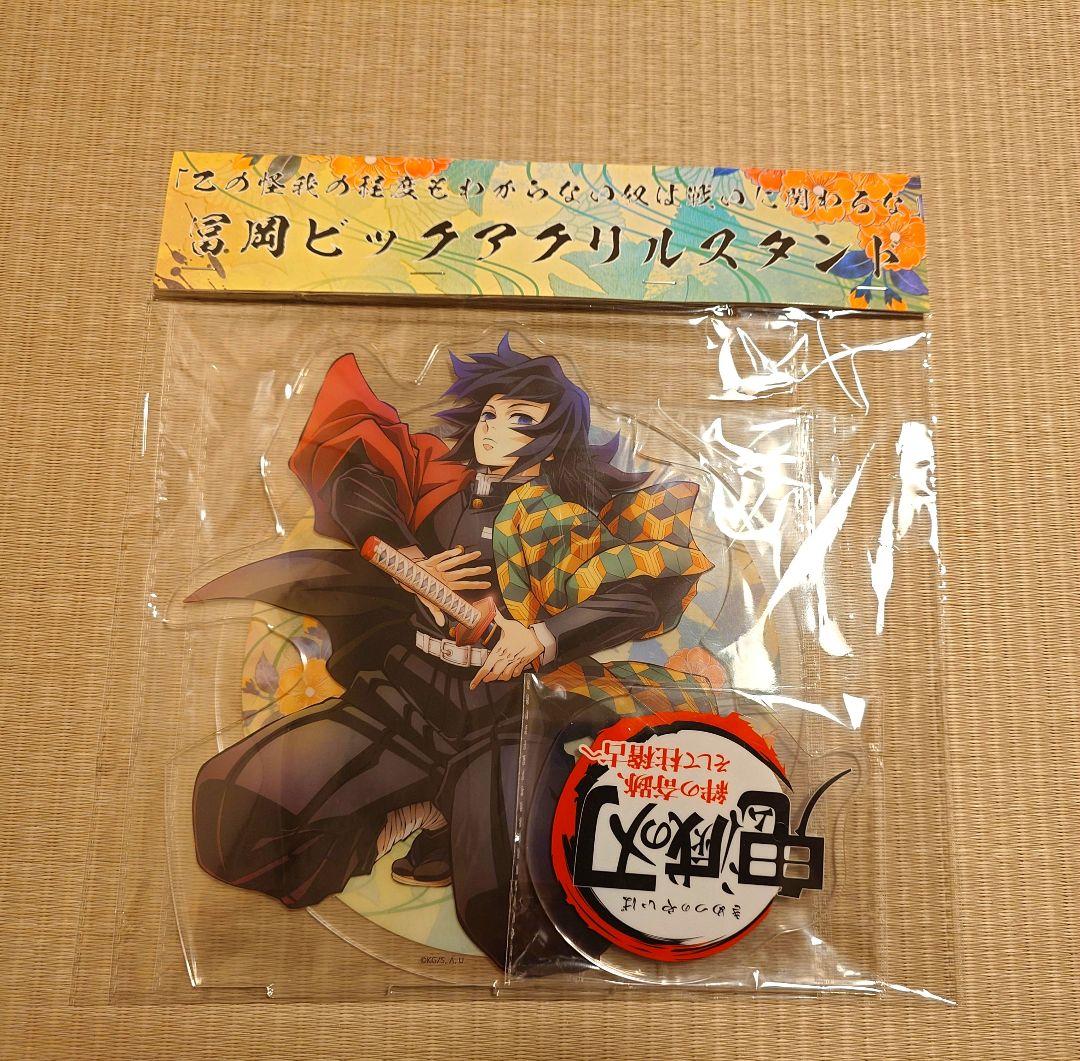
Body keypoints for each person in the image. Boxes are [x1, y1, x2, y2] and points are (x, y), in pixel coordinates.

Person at [188, 334, 713, 968]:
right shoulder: (437, 487)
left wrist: (541, 636)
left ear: (551, 443)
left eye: (520, 421)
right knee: (237, 814)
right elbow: (354, 466)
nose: (493, 429)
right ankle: (417, 811)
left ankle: (458, 815)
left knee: (520, 922)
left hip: (506, 717)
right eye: (490, 413)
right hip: (407, 691)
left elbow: (643, 585)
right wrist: (406, 556)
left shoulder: (564, 520)